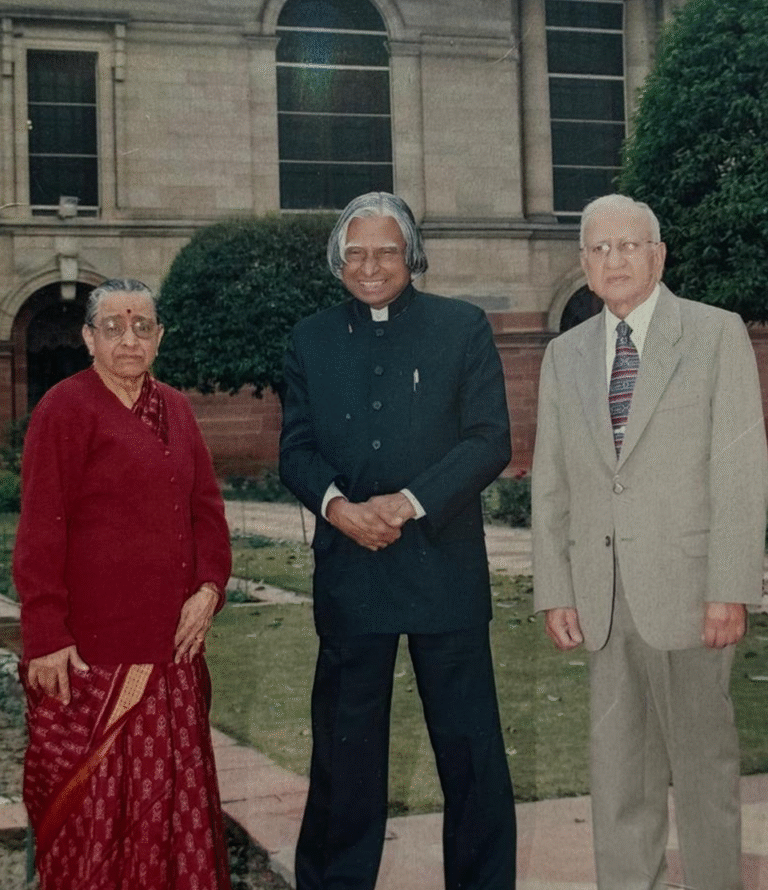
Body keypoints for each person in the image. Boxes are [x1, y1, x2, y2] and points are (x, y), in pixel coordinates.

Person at [279, 192, 516, 890]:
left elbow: (489, 439)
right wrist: (339, 509)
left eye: (386, 250)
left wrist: (409, 503)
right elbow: (296, 450)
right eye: (355, 253)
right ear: (337, 261)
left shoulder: (462, 327)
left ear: (411, 255)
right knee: (344, 759)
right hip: (352, 570)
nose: (371, 266)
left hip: (444, 569)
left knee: (471, 755)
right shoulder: (310, 339)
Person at [532, 194, 768, 890]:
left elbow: (740, 471)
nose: (615, 260)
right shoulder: (565, 355)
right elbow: (551, 481)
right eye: (600, 249)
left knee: (703, 773)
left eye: (629, 246)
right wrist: (556, 589)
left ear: (658, 256)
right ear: (584, 263)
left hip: (691, 596)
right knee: (619, 780)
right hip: (603, 600)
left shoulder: (715, 334)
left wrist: (730, 587)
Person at [13, 277, 233, 890]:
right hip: (96, 654)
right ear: (89, 338)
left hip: (172, 655)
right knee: (98, 818)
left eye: (141, 327)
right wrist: (46, 637)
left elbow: (207, 512)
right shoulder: (64, 408)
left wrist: (209, 589)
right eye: (113, 328)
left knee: (172, 814)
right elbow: (40, 529)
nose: (129, 340)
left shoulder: (178, 410)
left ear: (159, 337)